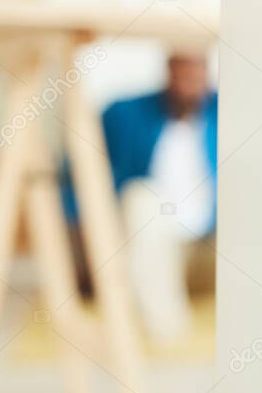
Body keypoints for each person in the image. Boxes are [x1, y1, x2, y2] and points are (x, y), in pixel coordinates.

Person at [61, 50, 217, 345]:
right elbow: (76, 170)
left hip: (207, 245)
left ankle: (126, 308)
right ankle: (165, 329)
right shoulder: (124, 113)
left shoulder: (228, 111)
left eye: (197, 72)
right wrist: (77, 221)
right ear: (168, 70)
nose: (189, 82)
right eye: (182, 72)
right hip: (144, 233)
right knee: (143, 198)